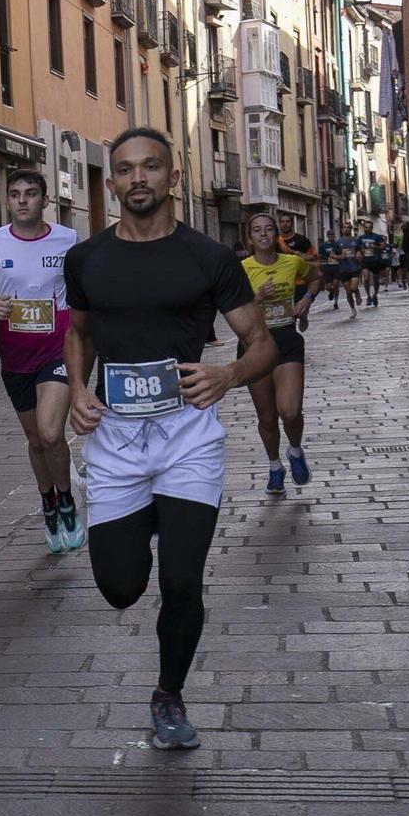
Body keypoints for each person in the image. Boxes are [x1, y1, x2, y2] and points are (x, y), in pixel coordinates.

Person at [64, 128, 276, 751]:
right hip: (114, 442)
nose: (138, 179)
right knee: (121, 587)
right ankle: (146, 514)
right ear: (113, 181)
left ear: (172, 178)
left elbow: (261, 342)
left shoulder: (208, 258)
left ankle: (169, 696)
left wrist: (229, 373)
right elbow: (77, 332)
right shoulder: (87, 260)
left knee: (181, 581)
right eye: (125, 169)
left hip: (187, 438)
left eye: (151, 167)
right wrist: (77, 387)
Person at [0, 169, 82, 552]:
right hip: (15, 354)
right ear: (7, 201)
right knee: (36, 441)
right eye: (15, 194)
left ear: (45, 200)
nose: (22, 200)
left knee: (52, 432)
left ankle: (67, 499)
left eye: (31, 193)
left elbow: (83, 293)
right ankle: (48, 501)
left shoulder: (69, 240)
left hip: (59, 348)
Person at [240, 209, 323, 495]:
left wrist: (307, 300)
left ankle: (296, 451)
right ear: (249, 239)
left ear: (277, 234)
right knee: (266, 417)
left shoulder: (292, 262)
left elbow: (315, 276)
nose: (263, 234)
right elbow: (231, 308)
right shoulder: (241, 269)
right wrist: (256, 298)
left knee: (289, 411)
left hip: (287, 340)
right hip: (254, 346)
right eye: (257, 230)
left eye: (269, 229)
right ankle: (275, 467)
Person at [357, 220, 388, 307]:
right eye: (366, 227)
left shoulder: (377, 236)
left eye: (369, 227)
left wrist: (376, 246)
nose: (367, 228)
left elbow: (383, 246)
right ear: (364, 228)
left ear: (372, 228)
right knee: (366, 278)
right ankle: (368, 296)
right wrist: (359, 251)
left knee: (375, 280)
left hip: (375, 260)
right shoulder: (360, 238)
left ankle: (375, 295)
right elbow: (357, 248)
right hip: (365, 261)